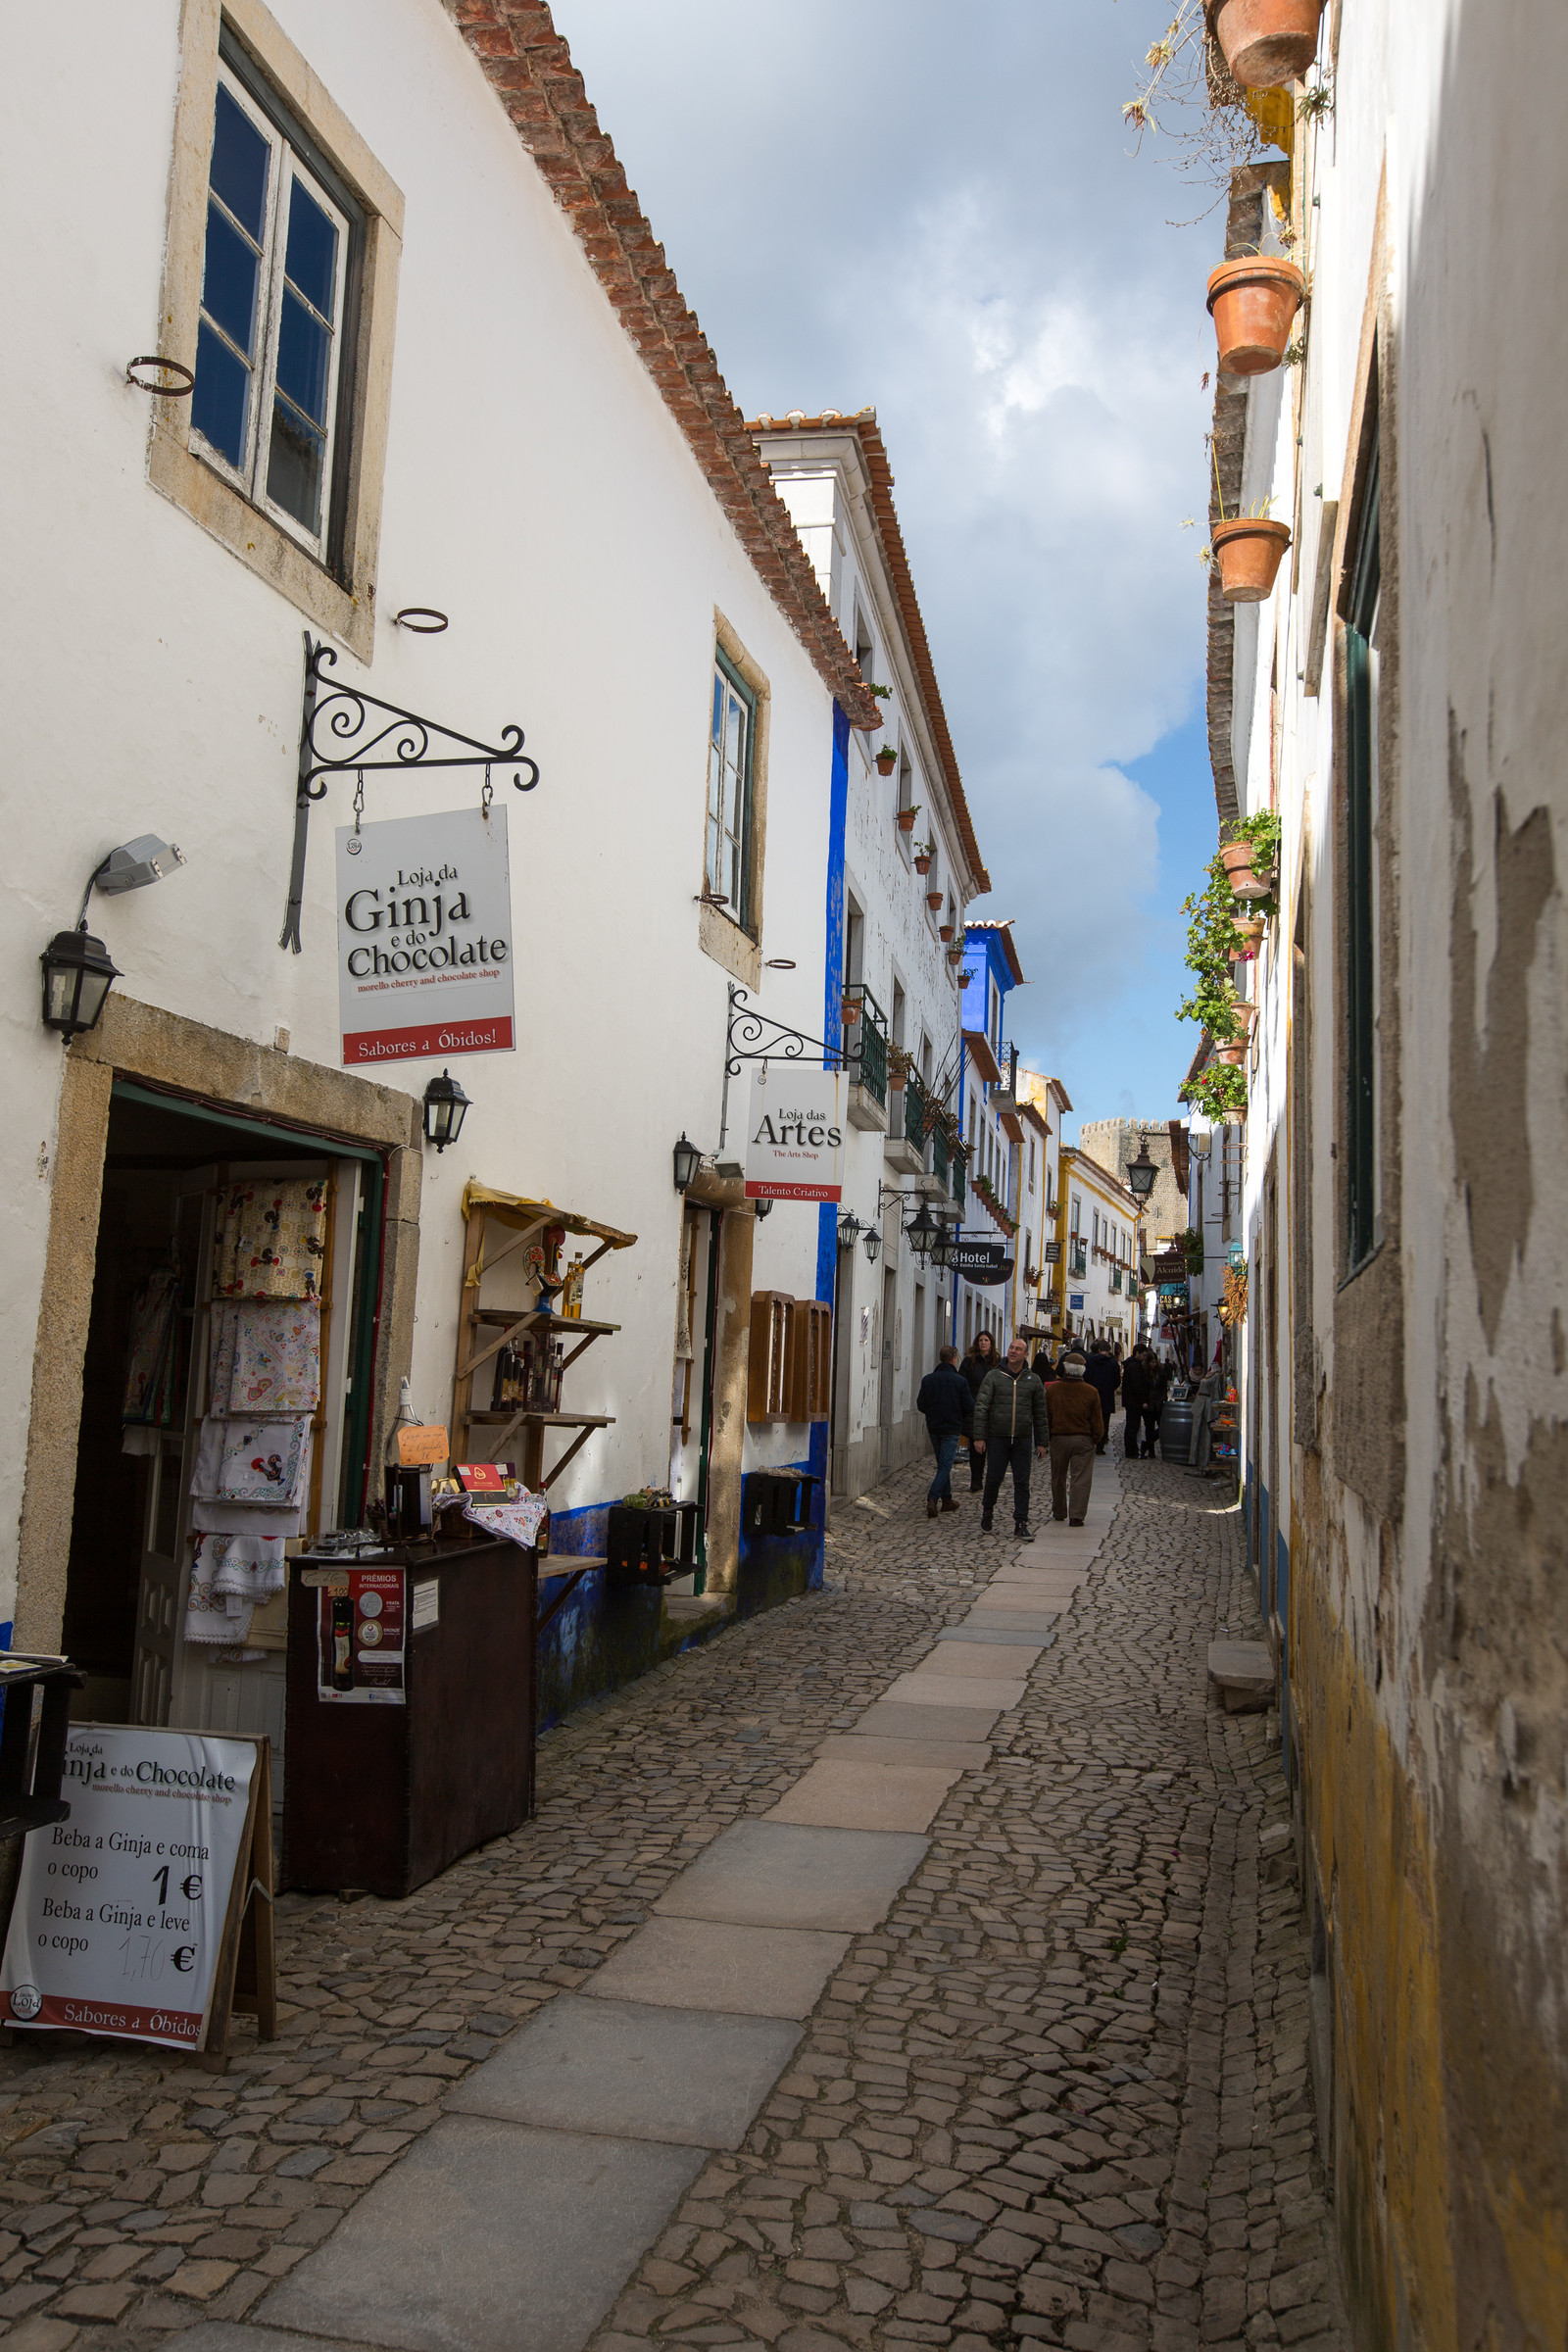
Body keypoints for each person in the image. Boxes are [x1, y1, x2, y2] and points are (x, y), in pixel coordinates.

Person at [970, 1337, 1050, 1538]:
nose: (1013, 1351)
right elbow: (981, 1407)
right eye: (1011, 1348)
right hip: (998, 1437)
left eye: (1018, 1349)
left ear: (1026, 1354)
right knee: (993, 1479)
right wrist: (979, 1437)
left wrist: (1042, 1442)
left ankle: (1021, 1521)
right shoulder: (994, 1376)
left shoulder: (1033, 1380)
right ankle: (988, 1511)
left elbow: (1040, 1413)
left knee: (1022, 1482)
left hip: (1022, 1438)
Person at [1046, 1347, 1104, 1523]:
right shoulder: (1091, 1391)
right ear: (1083, 1370)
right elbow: (1097, 1421)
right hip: (1083, 1439)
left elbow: (1047, 1415)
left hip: (1059, 1437)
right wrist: (1096, 1438)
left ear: (1065, 1368)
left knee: (1058, 1476)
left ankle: (1059, 1511)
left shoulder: (1053, 1390)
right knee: (1081, 1478)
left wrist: (1048, 1436)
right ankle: (1077, 1515)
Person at [916, 1344, 973, 1520]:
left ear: (940, 1359)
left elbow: (921, 1404)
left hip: (934, 1426)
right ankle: (932, 1498)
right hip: (951, 1428)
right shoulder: (960, 1381)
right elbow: (969, 1406)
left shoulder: (928, 1380)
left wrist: (933, 1413)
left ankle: (947, 1500)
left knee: (943, 1463)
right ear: (954, 1360)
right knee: (946, 1465)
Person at [957, 1329, 999, 1491]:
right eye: (981, 1340)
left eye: (986, 1340)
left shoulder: (997, 1362)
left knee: (992, 1447)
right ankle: (976, 1480)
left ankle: (991, 1481)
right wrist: (968, 1403)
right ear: (977, 1343)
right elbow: (962, 1383)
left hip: (993, 1409)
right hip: (974, 1409)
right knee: (976, 1447)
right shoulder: (969, 1362)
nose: (983, 1343)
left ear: (991, 1343)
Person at [1084, 1341, 1119, 1455]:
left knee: (1091, 1420)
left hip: (1091, 1395)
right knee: (1104, 1422)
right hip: (1107, 1396)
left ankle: (1090, 1443)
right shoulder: (1113, 1363)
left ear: (1099, 1350)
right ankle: (1100, 1446)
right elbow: (1117, 1381)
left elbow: (1085, 1378)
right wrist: (1110, 1388)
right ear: (1109, 1351)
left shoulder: (1090, 1362)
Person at [1119, 1344, 1152, 1460]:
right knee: (1132, 1426)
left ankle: (1132, 1450)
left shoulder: (1132, 1364)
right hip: (1134, 1401)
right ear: (1137, 1353)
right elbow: (1137, 1385)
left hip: (1131, 1400)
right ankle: (1131, 1451)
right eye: (1144, 1355)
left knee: (1132, 1426)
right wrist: (1143, 1400)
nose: (1144, 1357)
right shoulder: (1134, 1366)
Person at [1145, 1351, 1171, 1458]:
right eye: (1152, 1362)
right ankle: (1151, 1451)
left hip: (1159, 1403)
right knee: (1149, 1427)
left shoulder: (1161, 1372)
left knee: (1162, 1427)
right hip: (1149, 1403)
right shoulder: (1145, 1372)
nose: (1154, 1364)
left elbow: (1164, 1387)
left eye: (1155, 1362)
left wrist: (1163, 1398)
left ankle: (1146, 1444)